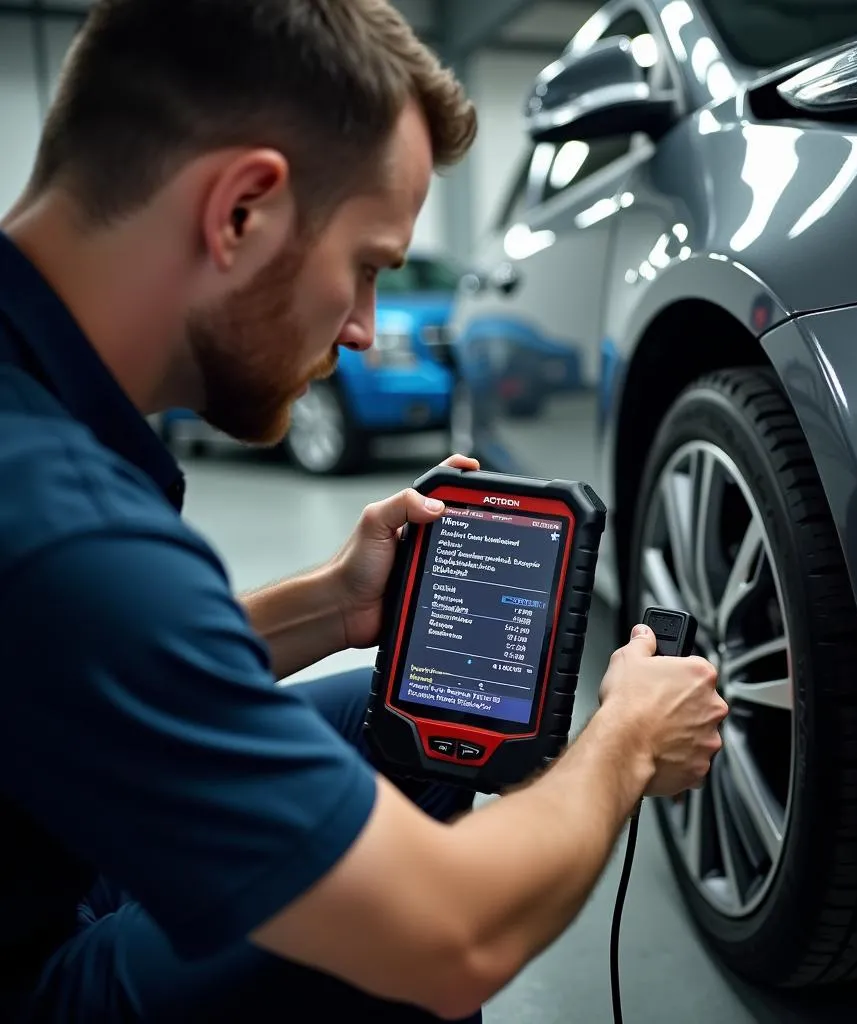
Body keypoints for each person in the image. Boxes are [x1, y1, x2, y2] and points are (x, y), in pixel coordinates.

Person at [0, 1, 729, 1021]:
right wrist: (627, 739)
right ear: (242, 210)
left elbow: (76, 660)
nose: (363, 329)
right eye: (369, 268)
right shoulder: (57, 514)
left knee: (401, 723)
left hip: (39, 842)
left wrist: (332, 605)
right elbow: (454, 936)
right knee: (411, 912)